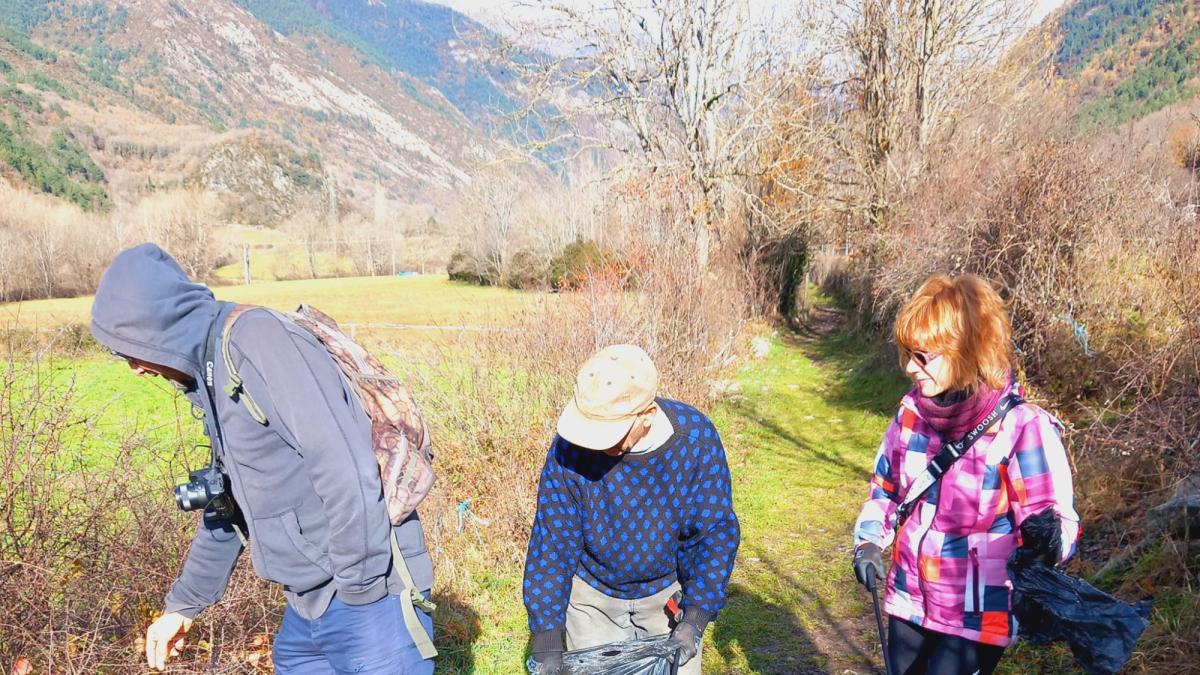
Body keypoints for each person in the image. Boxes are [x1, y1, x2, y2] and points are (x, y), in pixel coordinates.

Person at [90, 243, 435, 674]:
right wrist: (183, 606)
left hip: (368, 595)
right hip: (308, 605)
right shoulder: (211, 375)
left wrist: (360, 589)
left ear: (155, 328)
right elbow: (229, 503)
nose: (134, 369)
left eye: (127, 351)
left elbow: (344, 466)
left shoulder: (258, 341)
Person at [851, 274, 1080, 675]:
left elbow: (1060, 523)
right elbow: (885, 491)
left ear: (966, 349)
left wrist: (1048, 542)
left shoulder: (1022, 428)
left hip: (977, 617)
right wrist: (869, 542)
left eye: (923, 356)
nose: (909, 367)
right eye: (907, 353)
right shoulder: (910, 416)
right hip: (909, 600)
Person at [523, 344, 740, 675]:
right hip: (592, 600)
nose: (593, 442)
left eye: (607, 433)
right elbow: (553, 541)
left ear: (647, 417)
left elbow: (714, 534)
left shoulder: (694, 440)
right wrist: (547, 638)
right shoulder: (568, 449)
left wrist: (696, 616)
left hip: (667, 594)